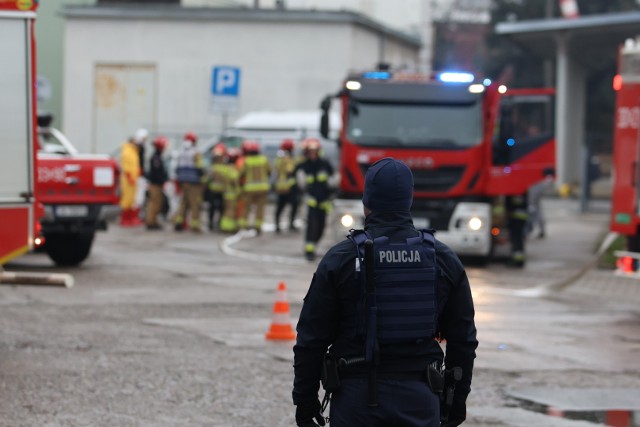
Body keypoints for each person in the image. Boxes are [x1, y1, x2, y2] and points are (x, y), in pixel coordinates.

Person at [293, 158, 478, 427]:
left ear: (367, 202)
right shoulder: (442, 259)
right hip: (420, 400)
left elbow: (311, 338)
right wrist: (456, 401)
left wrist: (305, 400)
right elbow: (463, 340)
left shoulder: (341, 259)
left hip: (356, 402)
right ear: (408, 201)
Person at [295, 138, 334, 261]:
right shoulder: (302, 166)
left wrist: (333, 188)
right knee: (312, 225)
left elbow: (333, 179)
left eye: (314, 151)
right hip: (310, 201)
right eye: (310, 151)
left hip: (324, 202)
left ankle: (314, 245)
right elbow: (299, 184)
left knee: (321, 226)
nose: (312, 154)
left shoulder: (325, 164)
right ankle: (309, 250)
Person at [173, 131, 205, 233]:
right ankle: (195, 225)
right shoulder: (196, 152)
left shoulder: (180, 152)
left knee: (183, 202)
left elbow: (177, 167)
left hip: (183, 182)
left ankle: (179, 222)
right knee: (194, 204)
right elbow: (200, 167)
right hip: (193, 182)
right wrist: (202, 178)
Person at [237, 140, 271, 234]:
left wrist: (240, 185)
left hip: (250, 189)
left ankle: (243, 226)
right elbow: (269, 171)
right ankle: (258, 227)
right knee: (260, 208)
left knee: (246, 208)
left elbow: (241, 174)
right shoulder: (264, 160)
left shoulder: (247, 161)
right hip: (263, 188)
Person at [119, 129, 146, 227]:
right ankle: (124, 219)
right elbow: (126, 166)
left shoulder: (134, 152)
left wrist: (138, 172)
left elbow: (136, 164)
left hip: (134, 179)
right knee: (127, 199)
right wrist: (130, 177)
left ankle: (131, 218)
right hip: (128, 180)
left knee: (132, 200)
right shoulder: (127, 152)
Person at [273, 138, 301, 233]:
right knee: (294, 205)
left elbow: (276, 169)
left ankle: (277, 225)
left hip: (281, 186)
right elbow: (290, 171)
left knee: (280, 206)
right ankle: (291, 224)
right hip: (289, 186)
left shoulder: (279, 158)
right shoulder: (287, 159)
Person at [144, 135, 169, 230]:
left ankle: (153, 221)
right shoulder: (156, 158)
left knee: (157, 203)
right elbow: (157, 173)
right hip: (155, 184)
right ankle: (151, 222)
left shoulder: (157, 157)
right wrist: (162, 181)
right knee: (154, 203)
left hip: (157, 184)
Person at [219, 147, 242, 233]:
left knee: (226, 210)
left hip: (225, 193)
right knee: (230, 211)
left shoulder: (225, 168)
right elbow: (234, 181)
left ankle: (225, 226)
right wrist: (238, 191)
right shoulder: (232, 169)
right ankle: (228, 227)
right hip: (231, 194)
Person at [206, 143, 227, 231]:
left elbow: (208, 179)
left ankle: (214, 223)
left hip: (217, 191)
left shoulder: (214, 167)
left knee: (217, 208)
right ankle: (213, 223)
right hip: (217, 191)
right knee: (215, 208)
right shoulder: (222, 168)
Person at [505, 192, 528, 267]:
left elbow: (509, 205)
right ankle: (519, 259)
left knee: (515, 239)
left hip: (514, 218)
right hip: (522, 217)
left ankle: (517, 260)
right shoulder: (524, 190)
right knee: (519, 239)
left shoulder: (511, 191)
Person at [527, 175, 553, 239]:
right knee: (528, 219)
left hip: (536, 204)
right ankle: (527, 232)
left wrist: (548, 181)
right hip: (528, 204)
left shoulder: (539, 185)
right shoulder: (529, 184)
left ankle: (542, 231)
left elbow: (545, 188)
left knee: (540, 218)